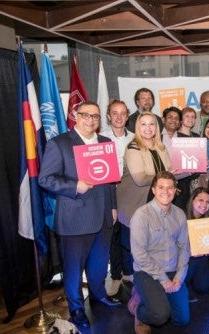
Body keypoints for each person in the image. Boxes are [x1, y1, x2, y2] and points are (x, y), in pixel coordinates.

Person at [39, 102, 120, 329]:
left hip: (103, 215)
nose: (91, 120)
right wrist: (75, 185)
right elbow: (45, 179)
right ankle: (76, 309)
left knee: (98, 264)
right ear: (76, 116)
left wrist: (113, 206)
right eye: (86, 115)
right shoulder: (60, 143)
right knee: (74, 270)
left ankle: (98, 295)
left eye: (95, 116)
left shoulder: (105, 143)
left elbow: (111, 181)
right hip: (75, 218)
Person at [128, 171, 190, 333]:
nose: (166, 191)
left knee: (182, 319)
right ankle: (138, 309)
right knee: (160, 315)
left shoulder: (180, 214)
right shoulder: (141, 215)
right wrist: (163, 280)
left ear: (175, 190)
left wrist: (179, 277)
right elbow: (139, 255)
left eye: (170, 188)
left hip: (172, 271)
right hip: (146, 272)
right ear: (154, 190)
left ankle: (156, 298)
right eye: (161, 187)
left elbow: (184, 247)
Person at [117, 112, 171, 289]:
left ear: (157, 127)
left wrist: (197, 167)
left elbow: (172, 174)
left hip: (154, 201)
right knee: (136, 246)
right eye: (143, 125)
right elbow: (140, 179)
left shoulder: (161, 147)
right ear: (137, 128)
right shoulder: (133, 147)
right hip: (134, 202)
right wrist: (166, 177)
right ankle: (135, 282)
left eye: (152, 124)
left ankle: (150, 280)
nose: (148, 128)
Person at [100, 100, 136, 296]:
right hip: (108, 192)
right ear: (108, 116)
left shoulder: (135, 138)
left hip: (130, 193)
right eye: (115, 113)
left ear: (127, 116)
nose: (119, 117)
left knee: (128, 233)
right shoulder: (100, 139)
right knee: (112, 235)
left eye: (123, 113)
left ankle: (129, 272)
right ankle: (115, 275)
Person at [185, 187, 209, 299]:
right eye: (200, 200)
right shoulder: (181, 217)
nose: (204, 204)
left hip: (201, 259)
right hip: (184, 260)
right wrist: (190, 253)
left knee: (204, 287)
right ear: (192, 200)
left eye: (207, 202)